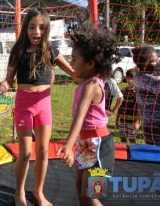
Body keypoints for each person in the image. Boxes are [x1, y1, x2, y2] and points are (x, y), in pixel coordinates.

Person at [0, 8, 74, 206]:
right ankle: (19, 193)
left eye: (41, 27)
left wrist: (91, 75)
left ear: (46, 30)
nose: (36, 31)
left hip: (44, 105)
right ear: (26, 28)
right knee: (26, 152)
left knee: (43, 151)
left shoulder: (50, 50)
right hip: (24, 104)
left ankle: (38, 192)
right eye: (32, 27)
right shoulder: (18, 51)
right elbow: (8, 80)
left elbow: (73, 72)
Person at [57, 23, 122, 206]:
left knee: (92, 195)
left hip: (99, 145)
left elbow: (79, 117)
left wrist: (69, 145)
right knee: (81, 190)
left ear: (91, 64)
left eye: (75, 59)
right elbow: (71, 71)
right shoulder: (86, 79)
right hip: (85, 143)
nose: (71, 63)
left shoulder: (92, 85)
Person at [132, 46, 160, 146]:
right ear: (144, 63)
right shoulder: (152, 79)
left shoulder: (138, 75)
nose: (157, 62)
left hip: (148, 126)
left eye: (157, 59)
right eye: (153, 61)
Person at [116, 68, 140, 144]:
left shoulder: (138, 92)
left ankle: (133, 154)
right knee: (122, 137)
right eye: (128, 78)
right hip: (122, 119)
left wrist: (136, 122)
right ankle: (124, 152)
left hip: (132, 121)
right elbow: (120, 106)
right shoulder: (123, 91)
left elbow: (139, 108)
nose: (130, 80)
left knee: (132, 139)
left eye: (132, 78)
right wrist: (117, 119)